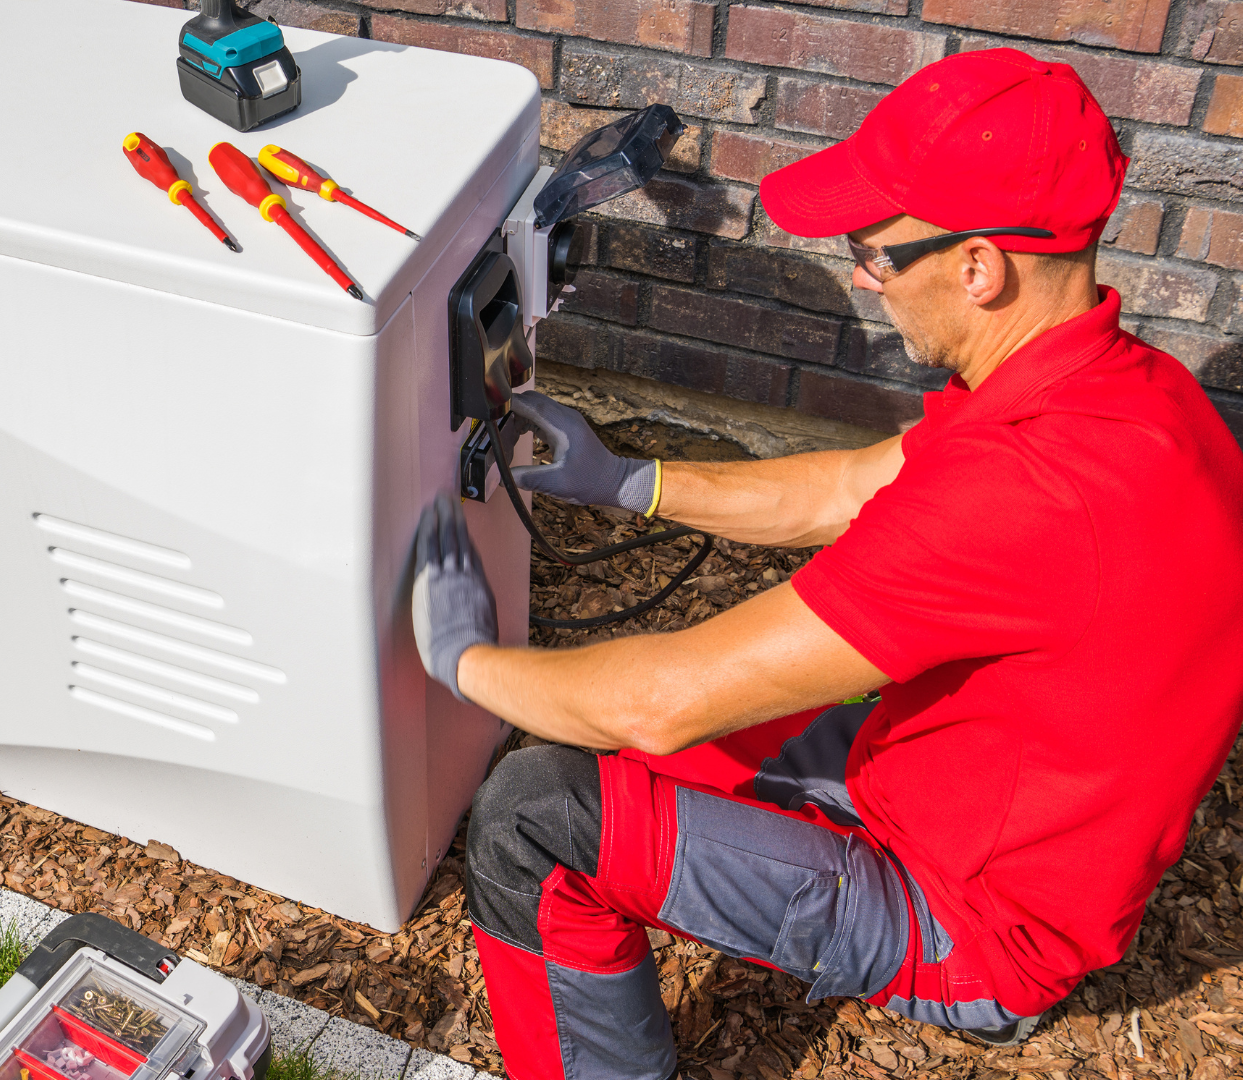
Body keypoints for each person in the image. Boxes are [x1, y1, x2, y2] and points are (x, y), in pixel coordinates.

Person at [409, 47, 1243, 1080]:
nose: (861, 274)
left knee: (535, 816)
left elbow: (661, 703)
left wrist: (462, 664)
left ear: (979, 265)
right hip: (967, 785)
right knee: (636, 735)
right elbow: (855, 488)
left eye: (877, 250)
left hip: (974, 923)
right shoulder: (1127, 395)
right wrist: (632, 480)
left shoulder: (1028, 490)